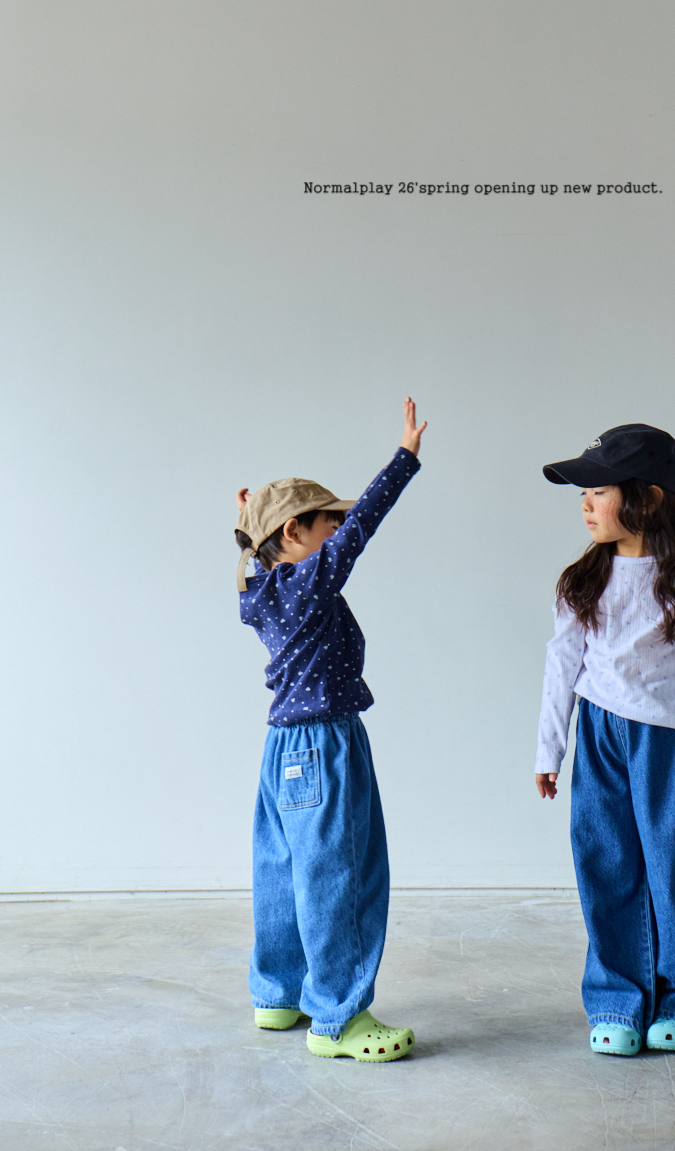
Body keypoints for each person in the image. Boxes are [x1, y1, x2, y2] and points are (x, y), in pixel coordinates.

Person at [233, 397, 426, 1062]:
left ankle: (278, 995)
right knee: (341, 874)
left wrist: (247, 522)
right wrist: (404, 459)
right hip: (324, 741)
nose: (338, 530)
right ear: (292, 533)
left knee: (283, 869)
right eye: (326, 523)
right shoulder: (310, 586)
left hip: (282, 747)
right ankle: (340, 1018)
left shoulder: (260, 591)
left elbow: (259, 550)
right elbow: (365, 523)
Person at [536, 423, 675, 1056]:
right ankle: (617, 1001)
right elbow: (561, 667)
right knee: (606, 863)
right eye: (583, 492)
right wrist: (550, 750)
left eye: (599, 490)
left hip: (666, 744)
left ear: (647, 498)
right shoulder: (581, 580)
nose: (585, 504)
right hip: (599, 738)